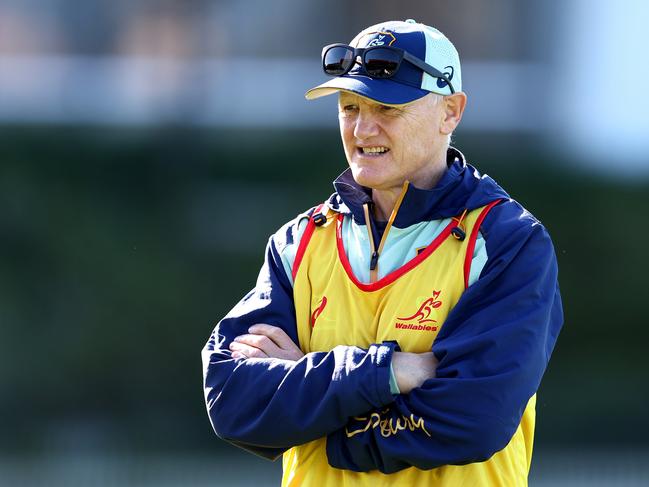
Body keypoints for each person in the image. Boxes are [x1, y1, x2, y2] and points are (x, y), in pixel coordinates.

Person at [202, 19, 563, 486]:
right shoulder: (297, 243)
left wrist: (316, 416)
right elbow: (232, 403)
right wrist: (388, 372)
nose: (361, 127)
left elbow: (473, 419)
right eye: (349, 107)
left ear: (450, 112)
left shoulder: (508, 241)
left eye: (387, 108)